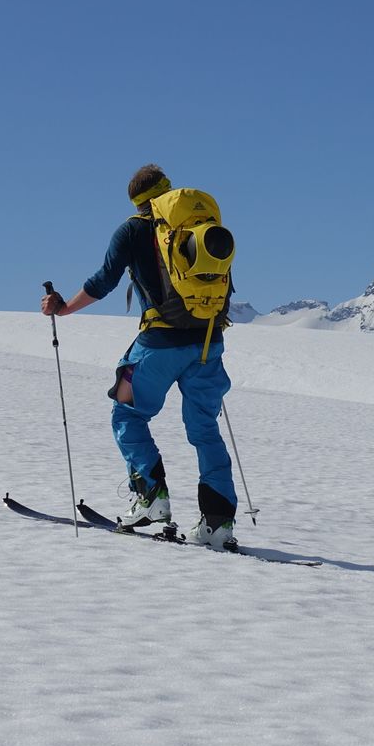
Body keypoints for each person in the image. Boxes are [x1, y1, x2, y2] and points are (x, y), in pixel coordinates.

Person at [40, 164, 238, 550]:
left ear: (135, 200)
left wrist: (63, 309)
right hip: (208, 345)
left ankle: (151, 498)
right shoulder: (200, 226)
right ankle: (218, 523)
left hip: (159, 347)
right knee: (204, 430)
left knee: (127, 412)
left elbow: (104, 281)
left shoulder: (133, 229)